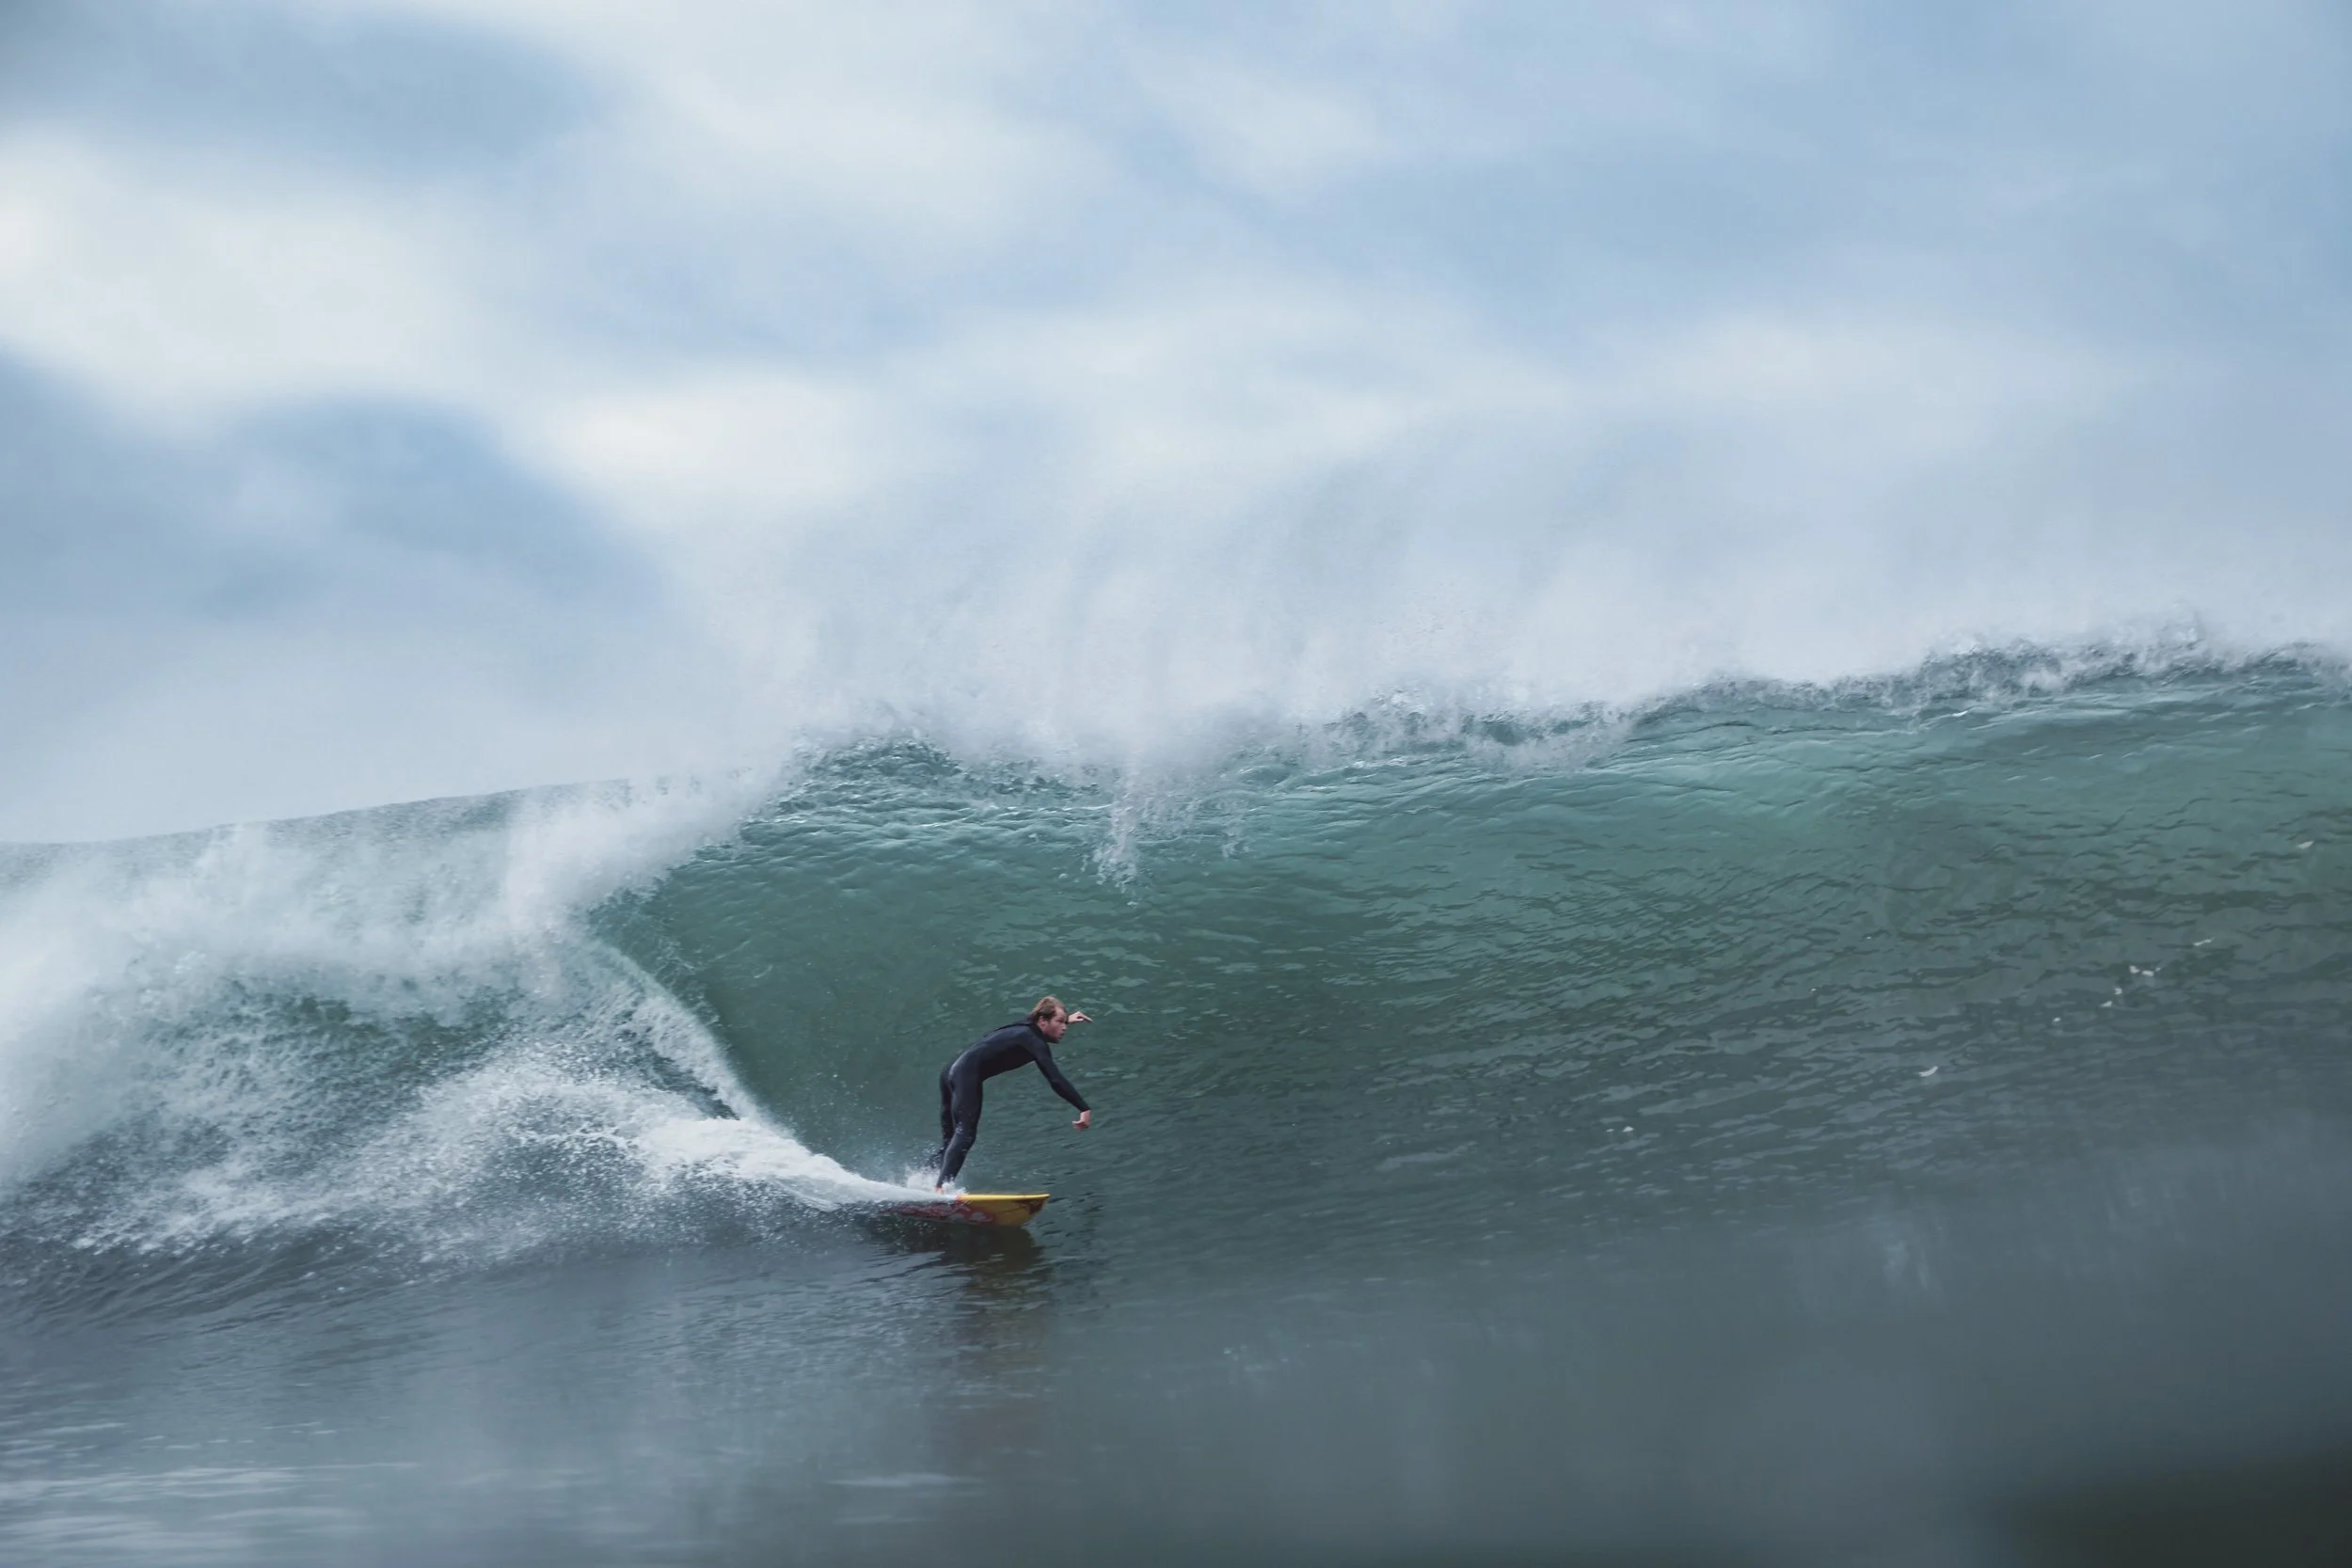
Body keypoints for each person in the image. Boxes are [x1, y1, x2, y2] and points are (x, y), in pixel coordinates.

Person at [930, 996, 1094, 1189]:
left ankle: (923, 1179)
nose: (1064, 1027)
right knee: (965, 1134)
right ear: (1042, 1021)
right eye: (1060, 1022)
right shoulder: (1034, 1040)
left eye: (1065, 1022)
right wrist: (1083, 1107)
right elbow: (1055, 1078)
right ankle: (940, 1189)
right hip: (965, 1074)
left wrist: (1065, 1019)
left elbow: (1036, 1018)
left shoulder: (1024, 1027)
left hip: (950, 1071)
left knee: (951, 1141)